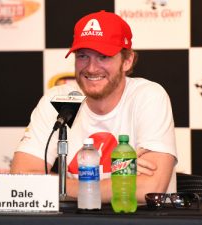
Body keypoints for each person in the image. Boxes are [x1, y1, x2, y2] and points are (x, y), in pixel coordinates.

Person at [10, 10, 177, 203]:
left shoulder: (147, 96)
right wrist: (122, 181)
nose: (91, 68)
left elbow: (149, 188)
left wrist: (56, 185)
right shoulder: (61, 99)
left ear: (127, 60)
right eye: (83, 56)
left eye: (103, 56)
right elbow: (22, 180)